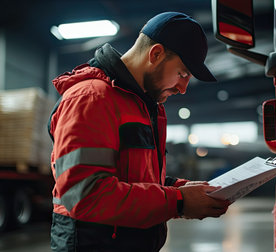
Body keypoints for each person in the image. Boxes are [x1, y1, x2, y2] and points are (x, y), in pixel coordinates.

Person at [48, 12, 230, 251]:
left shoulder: (145, 105)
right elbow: (85, 195)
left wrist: (182, 189)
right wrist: (178, 201)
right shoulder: (92, 98)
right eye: (183, 73)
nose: (183, 88)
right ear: (155, 54)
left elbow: (136, 179)